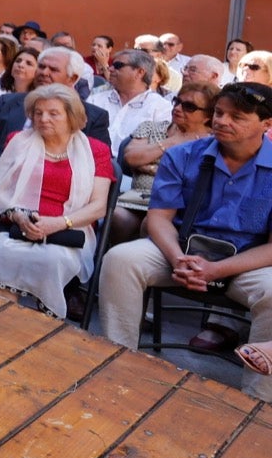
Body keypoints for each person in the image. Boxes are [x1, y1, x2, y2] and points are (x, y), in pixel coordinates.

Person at [98, 82, 272, 401]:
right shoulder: (182, 155)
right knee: (121, 260)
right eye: (218, 113)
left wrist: (216, 270)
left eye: (237, 117)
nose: (221, 121)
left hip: (244, 262)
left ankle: (258, 399)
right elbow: (159, 217)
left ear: (267, 124)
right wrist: (178, 257)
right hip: (181, 250)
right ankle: (118, 362)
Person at [0, 46, 108, 283]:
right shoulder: (12, 101)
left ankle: (69, 290)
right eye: (41, 66)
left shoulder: (93, 116)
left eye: (52, 69)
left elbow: (94, 168)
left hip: (64, 187)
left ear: (73, 78)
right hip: (3, 172)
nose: (44, 72)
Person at [0, 84, 115, 318]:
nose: (43, 119)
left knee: (51, 259)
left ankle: (42, 329)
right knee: (4, 250)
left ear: (72, 116)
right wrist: (18, 215)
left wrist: (58, 223)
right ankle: (2, 325)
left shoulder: (96, 150)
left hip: (70, 228)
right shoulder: (18, 141)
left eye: (53, 113)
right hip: (18, 224)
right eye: (38, 112)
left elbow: (98, 206)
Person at [107, 81, 218, 247]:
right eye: (177, 102)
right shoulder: (152, 127)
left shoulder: (213, 142)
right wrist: (172, 142)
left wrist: (149, 166)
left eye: (189, 106)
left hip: (176, 206)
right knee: (116, 216)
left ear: (208, 115)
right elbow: (131, 158)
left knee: (150, 223)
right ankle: (110, 262)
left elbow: (192, 177)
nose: (178, 108)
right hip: (137, 199)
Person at [87, 49, 172, 152]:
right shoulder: (95, 100)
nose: (110, 68)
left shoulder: (161, 108)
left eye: (118, 65)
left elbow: (157, 148)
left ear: (140, 72)